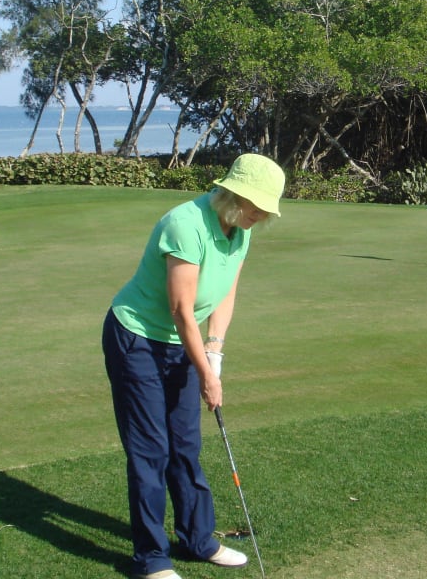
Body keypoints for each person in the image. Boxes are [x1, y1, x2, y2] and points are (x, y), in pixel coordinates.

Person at [102, 153, 286, 579]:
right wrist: (205, 374)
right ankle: (151, 558)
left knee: (185, 445)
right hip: (137, 340)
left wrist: (216, 353)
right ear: (235, 196)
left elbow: (223, 293)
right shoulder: (184, 225)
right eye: (257, 206)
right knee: (151, 450)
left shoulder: (241, 229)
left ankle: (198, 540)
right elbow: (183, 311)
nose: (261, 216)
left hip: (181, 346)